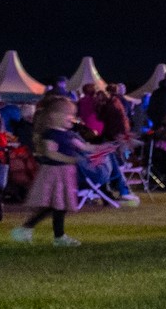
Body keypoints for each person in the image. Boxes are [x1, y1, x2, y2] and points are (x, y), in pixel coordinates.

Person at [12, 93, 110, 246]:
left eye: (73, 114)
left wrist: (103, 148)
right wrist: (71, 160)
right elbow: (51, 153)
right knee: (55, 205)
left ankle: (53, 235)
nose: (72, 117)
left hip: (65, 173)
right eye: (68, 114)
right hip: (53, 173)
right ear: (54, 116)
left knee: (60, 205)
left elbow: (85, 147)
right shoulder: (50, 134)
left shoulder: (69, 134)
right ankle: (34, 230)